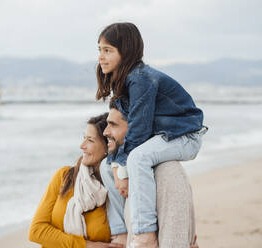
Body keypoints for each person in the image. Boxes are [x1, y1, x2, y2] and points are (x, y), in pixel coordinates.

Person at [96, 22, 207, 247]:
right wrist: (117, 167)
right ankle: (119, 233)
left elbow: (139, 130)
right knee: (106, 167)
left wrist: (125, 168)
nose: (101, 56)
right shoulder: (123, 82)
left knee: (138, 158)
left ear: (125, 51)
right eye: (99, 50)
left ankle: (145, 232)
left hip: (184, 136)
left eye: (107, 50)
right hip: (163, 136)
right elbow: (129, 134)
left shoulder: (141, 79)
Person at [101, 103, 199, 248]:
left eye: (113, 125)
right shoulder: (132, 175)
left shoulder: (169, 173)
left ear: (137, 129)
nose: (105, 132)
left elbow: (174, 241)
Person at [29, 113, 124, 248]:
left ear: (107, 146)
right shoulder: (64, 176)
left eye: (90, 140)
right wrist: (86, 245)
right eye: (83, 138)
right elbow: (36, 231)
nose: (82, 146)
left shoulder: (115, 187)